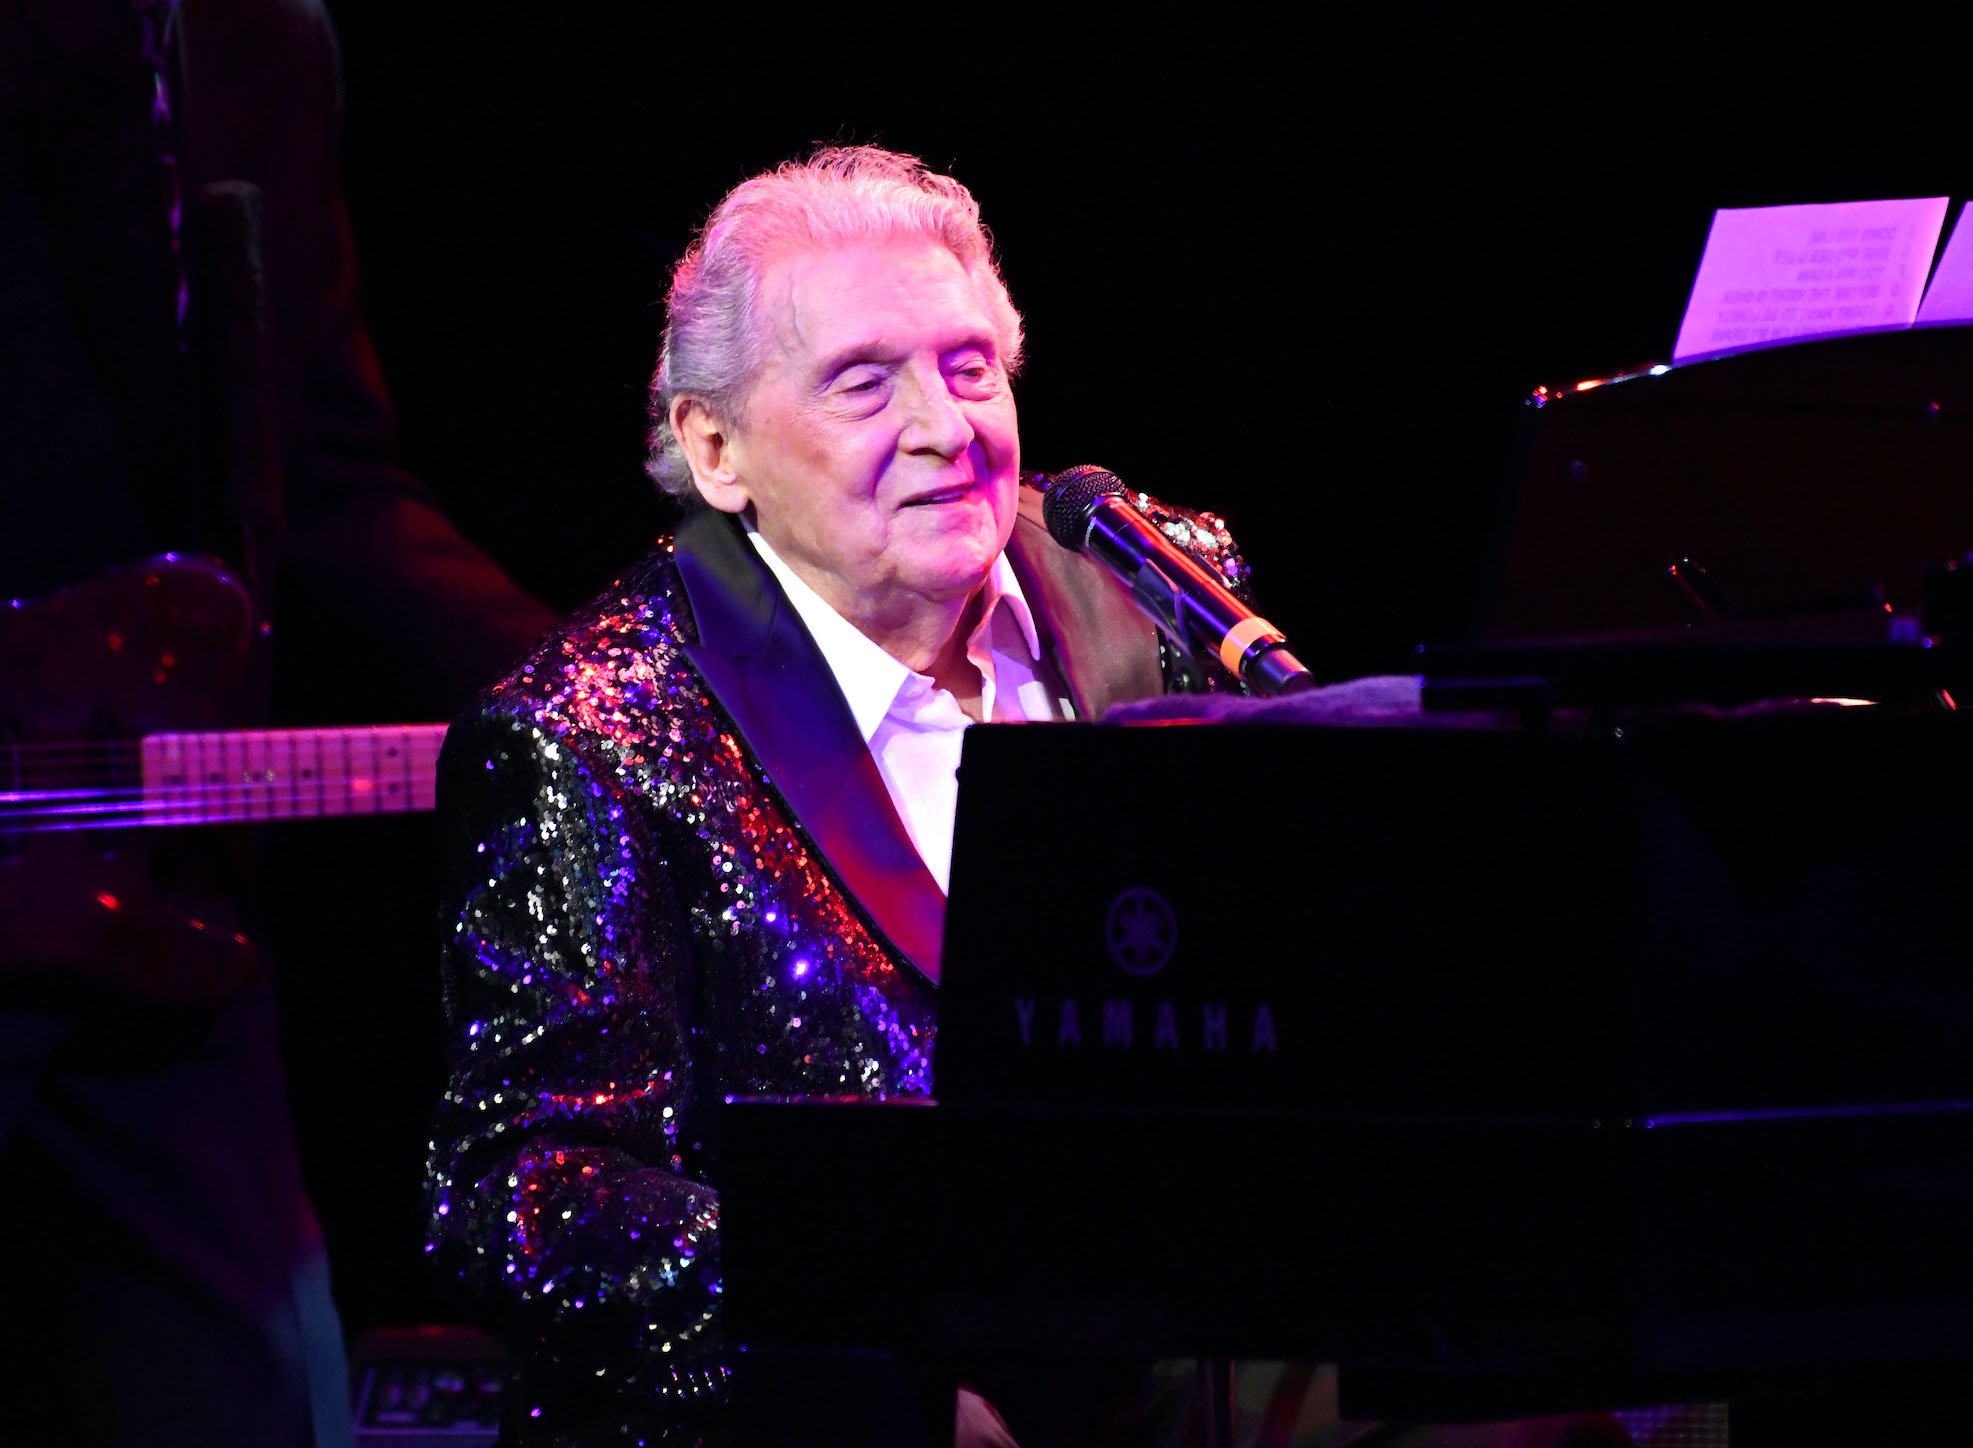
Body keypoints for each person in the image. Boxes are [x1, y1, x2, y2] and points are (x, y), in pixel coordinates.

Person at [422, 144, 1255, 1446]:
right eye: (864, 383)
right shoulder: (589, 730)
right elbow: (528, 1192)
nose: (946, 427)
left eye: (970, 367)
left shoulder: (1154, 593)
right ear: (716, 449)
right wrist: (872, 1387)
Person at [0, 3, 554, 1444]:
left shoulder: (261, 44)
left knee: (254, 1397)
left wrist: (599, 688)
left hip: (149, 913)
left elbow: (332, 486)